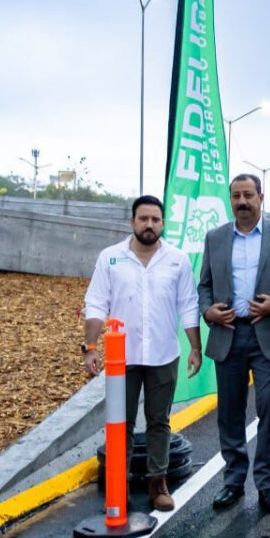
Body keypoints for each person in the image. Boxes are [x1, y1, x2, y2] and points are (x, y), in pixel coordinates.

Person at [82, 195, 202, 512]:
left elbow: (188, 305)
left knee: (159, 421)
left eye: (155, 219)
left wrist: (196, 347)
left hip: (164, 355)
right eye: (143, 218)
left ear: (163, 223)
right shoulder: (111, 258)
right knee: (120, 422)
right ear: (132, 221)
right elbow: (95, 303)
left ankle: (157, 482)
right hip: (124, 359)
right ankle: (118, 485)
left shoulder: (178, 260)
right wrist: (91, 347)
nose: (149, 224)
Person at [198, 174, 270, 514]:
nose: (242, 201)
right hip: (229, 334)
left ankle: (267, 485)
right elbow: (204, 286)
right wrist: (208, 311)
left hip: (269, 335)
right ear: (230, 200)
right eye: (236, 196)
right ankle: (233, 481)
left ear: (261, 196)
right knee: (229, 413)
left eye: (248, 195)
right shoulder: (215, 238)